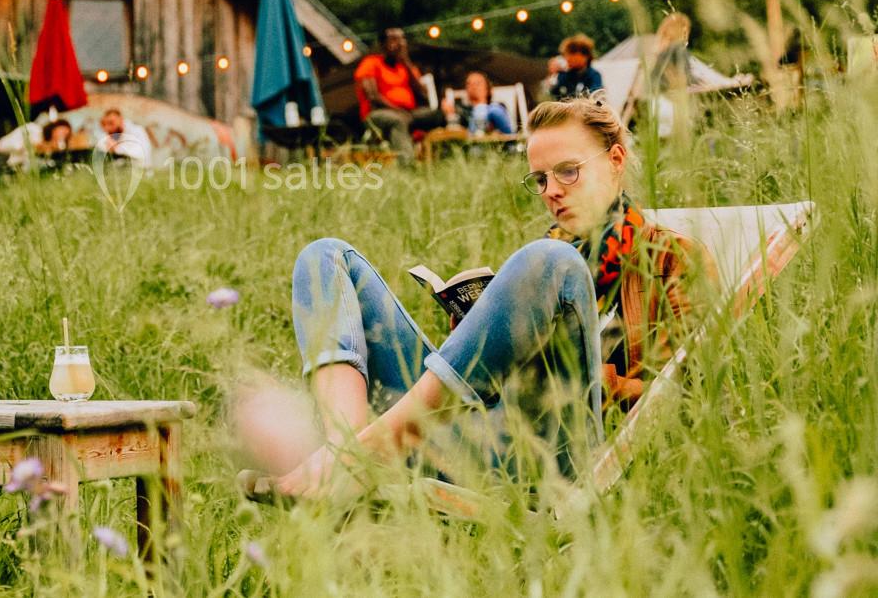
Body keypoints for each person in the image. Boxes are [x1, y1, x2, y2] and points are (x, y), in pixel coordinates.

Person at [243, 94, 709, 500]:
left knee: (547, 261)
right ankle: (345, 449)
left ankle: (353, 460)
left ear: (615, 160)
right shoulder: (557, 254)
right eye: (540, 179)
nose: (551, 191)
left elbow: (682, 399)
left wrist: (571, 372)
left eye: (568, 171)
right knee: (325, 257)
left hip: (557, 453)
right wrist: (474, 337)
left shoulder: (668, 259)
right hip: (477, 432)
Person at [354, 27, 447, 164]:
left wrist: (406, 61)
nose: (400, 43)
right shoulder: (371, 63)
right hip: (377, 114)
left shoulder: (404, 66)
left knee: (437, 115)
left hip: (408, 113)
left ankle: (441, 160)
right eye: (394, 39)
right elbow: (373, 96)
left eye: (402, 39)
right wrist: (399, 111)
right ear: (383, 44)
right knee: (397, 121)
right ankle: (408, 166)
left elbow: (423, 94)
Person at [443, 70, 515, 136]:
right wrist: (450, 115)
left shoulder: (497, 108)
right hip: (468, 144)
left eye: (478, 83)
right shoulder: (461, 111)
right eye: (469, 84)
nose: (473, 86)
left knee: (493, 109)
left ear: (488, 89)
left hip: (498, 143)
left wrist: (481, 105)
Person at [549, 34, 604, 100]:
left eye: (572, 53)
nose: (567, 58)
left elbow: (595, 98)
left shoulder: (594, 76)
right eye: (566, 54)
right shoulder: (564, 75)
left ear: (585, 56)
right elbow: (554, 95)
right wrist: (554, 75)